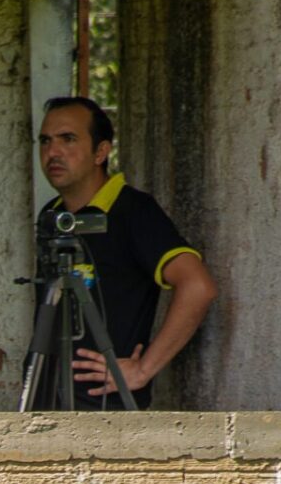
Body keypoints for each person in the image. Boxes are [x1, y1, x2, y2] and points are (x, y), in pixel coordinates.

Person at [35, 96, 217, 409]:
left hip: (107, 409)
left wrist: (144, 369)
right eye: (45, 141)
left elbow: (198, 286)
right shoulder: (52, 215)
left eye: (68, 139)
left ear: (101, 152)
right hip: (45, 403)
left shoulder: (133, 210)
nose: (53, 152)